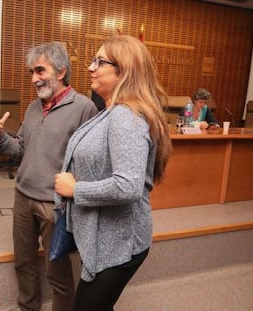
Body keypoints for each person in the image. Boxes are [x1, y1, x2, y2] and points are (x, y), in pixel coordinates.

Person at [54, 35, 172, 311]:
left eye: (99, 61)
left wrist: (75, 190)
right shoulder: (111, 112)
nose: (90, 68)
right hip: (103, 236)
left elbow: (128, 186)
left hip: (118, 243)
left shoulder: (125, 117)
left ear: (124, 71)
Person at [0, 41, 98, 311]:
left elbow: (91, 164)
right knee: (23, 263)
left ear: (60, 72)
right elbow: (20, 150)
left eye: (40, 70)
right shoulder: (34, 107)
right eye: (31, 72)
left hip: (55, 204)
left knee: (57, 272)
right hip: (23, 197)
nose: (34, 79)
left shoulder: (84, 108)